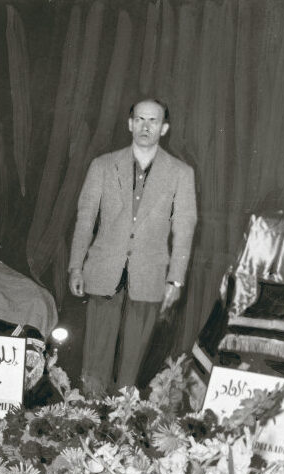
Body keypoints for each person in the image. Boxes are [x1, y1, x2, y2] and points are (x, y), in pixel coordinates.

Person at [66, 98, 197, 395]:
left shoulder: (180, 173)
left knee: (135, 359)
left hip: (150, 274)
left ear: (164, 128)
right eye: (139, 119)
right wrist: (76, 266)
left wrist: (175, 279)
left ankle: (124, 416)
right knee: (96, 353)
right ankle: (88, 414)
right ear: (129, 124)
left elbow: (184, 230)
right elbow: (85, 219)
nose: (145, 127)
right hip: (102, 269)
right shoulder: (101, 165)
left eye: (153, 121)